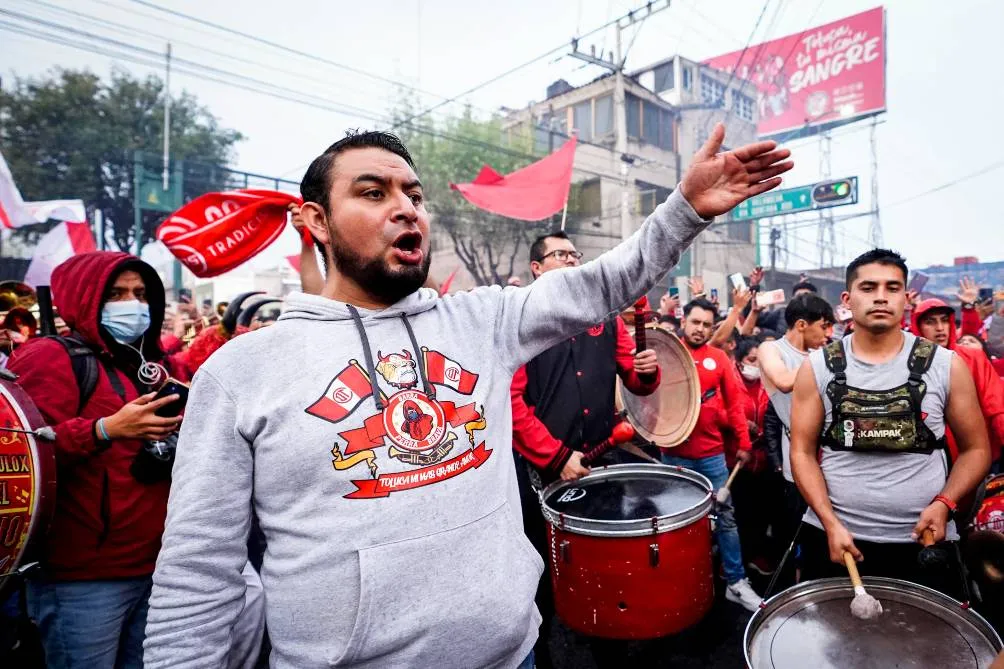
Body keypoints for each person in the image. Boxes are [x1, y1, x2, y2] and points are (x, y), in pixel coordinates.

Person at [141, 125, 792, 668]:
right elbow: (197, 578)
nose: (406, 208)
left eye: (414, 194)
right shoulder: (241, 372)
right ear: (317, 220)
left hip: (513, 655)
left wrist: (684, 208)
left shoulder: (481, 321)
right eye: (373, 192)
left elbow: (600, 284)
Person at [8, 252, 187, 669]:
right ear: (86, 297)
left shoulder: (153, 364)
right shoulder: (49, 357)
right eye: (116, 294)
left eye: (141, 294)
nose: (133, 304)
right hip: (83, 577)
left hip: (157, 565)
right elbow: (23, 456)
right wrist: (104, 430)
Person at [789, 249, 991, 597]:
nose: (881, 297)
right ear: (847, 300)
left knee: (928, 632)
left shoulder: (945, 365)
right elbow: (802, 452)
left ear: (906, 298)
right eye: (869, 287)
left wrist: (945, 503)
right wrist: (829, 522)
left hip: (924, 541)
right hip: (837, 539)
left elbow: (976, 449)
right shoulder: (817, 367)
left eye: (892, 287)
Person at [509, 230, 660, 668]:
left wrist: (647, 371)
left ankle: (610, 646)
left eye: (574, 254)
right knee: (541, 572)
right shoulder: (518, 321)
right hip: (542, 472)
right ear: (537, 268)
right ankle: (541, 653)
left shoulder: (606, 317)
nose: (571, 260)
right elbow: (512, 403)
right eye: (559, 255)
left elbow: (637, 382)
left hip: (599, 466)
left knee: (605, 567)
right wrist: (556, 457)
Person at [661, 298, 762, 611]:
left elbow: (734, 405)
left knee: (726, 519)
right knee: (675, 523)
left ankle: (736, 582)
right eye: (695, 322)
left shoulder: (718, 358)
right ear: (684, 321)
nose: (700, 329)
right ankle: (679, 582)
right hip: (673, 456)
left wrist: (744, 443)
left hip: (712, 456)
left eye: (706, 324)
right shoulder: (667, 353)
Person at [756, 293, 834, 583]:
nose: (828, 334)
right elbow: (784, 381)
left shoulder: (820, 354)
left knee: (826, 541)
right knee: (796, 537)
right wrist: (826, 358)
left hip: (833, 459)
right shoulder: (771, 349)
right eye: (824, 326)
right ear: (802, 324)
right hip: (800, 463)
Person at [911, 298, 1004, 471]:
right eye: (930, 322)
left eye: (944, 320)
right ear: (918, 327)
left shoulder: (974, 358)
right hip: (928, 462)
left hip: (979, 460)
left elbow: (997, 406)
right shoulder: (908, 365)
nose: (940, 328)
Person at [727, 336, 772, 575]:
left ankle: (756, 554)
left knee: (761, 510)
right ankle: (734, 562)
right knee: (738, 512)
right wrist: (741, 425)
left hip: (762, 458)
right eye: (751, 360)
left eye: (760, 361)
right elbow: (720, 411)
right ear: (739, 360)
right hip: (735, 456)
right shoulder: (730, 380)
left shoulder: (769, 381)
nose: (756, 365)